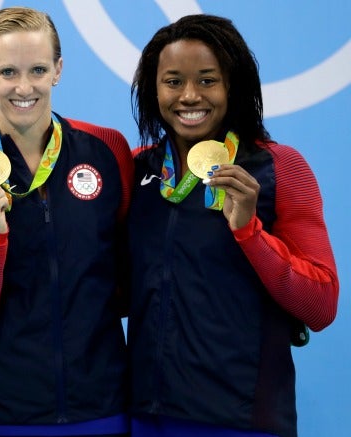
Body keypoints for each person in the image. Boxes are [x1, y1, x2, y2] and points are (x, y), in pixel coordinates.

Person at [128, 14, 339, 437]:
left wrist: (250, 232)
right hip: (145, 415)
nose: (189, 96)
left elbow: (320, 305)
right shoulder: (139, 170)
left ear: (233, 87)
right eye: (173, 81)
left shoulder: (279, 167)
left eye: (208, 80)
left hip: (241, 419)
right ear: (154, 89)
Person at [0, 7, 134, 437]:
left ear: (58, 70)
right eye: (8, 72)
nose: (24, 87)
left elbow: (128, 279)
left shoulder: (107, 150)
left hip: (104, 408)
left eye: (38, 69)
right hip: (1, 416)